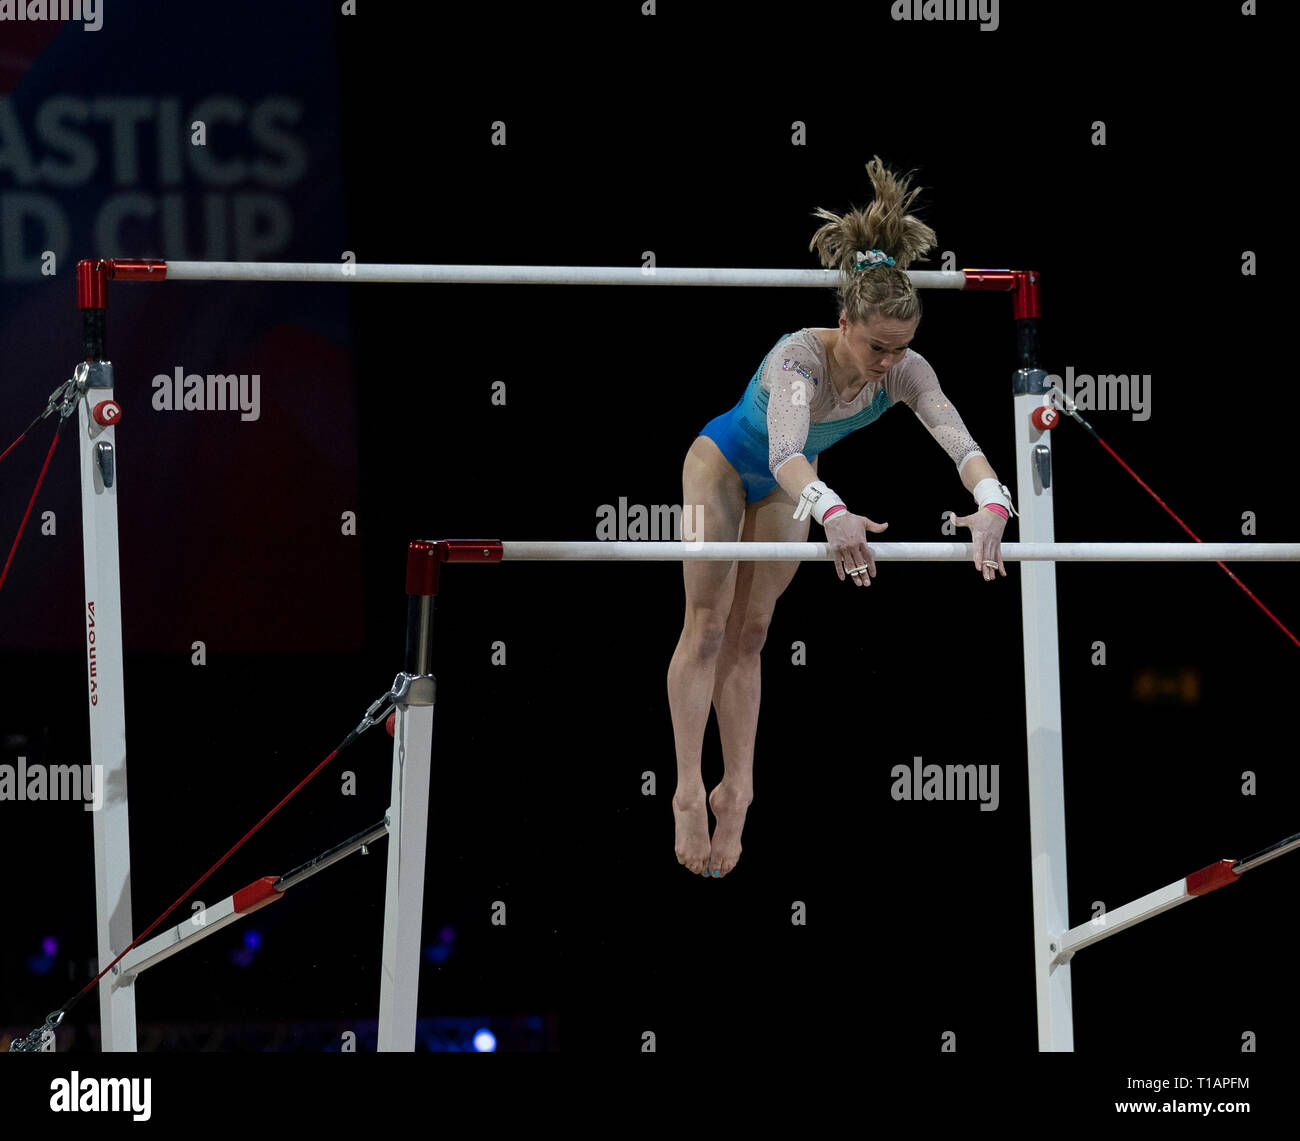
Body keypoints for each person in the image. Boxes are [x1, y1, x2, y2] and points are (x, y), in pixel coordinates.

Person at [667, 156, 1014, 879]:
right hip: (725, 467)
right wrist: (832, 511)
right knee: (706, 620)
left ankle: (742, 785)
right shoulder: (800, 358)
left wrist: (992, 504)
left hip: (793, 488)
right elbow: (789, 451)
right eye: (876, 344)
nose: (889, 361)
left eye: (902, 346)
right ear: (845, 319)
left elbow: (963, 443)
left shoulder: (909, 371)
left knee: (754, 628)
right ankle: (686, 789)